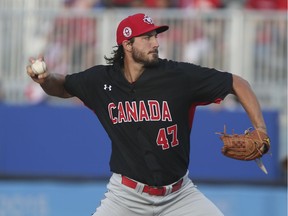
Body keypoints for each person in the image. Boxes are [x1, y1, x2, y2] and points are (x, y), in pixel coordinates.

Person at [26, 13, 268, 216]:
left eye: (155, 36)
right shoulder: (101, 81)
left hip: (179, 196)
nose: (156, 43)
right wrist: (45, 79)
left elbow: (237, 83)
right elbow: (63, 85)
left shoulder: (178, 76)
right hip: (126, 197)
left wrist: (261, 129)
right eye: (147, 37)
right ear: (127, 44)